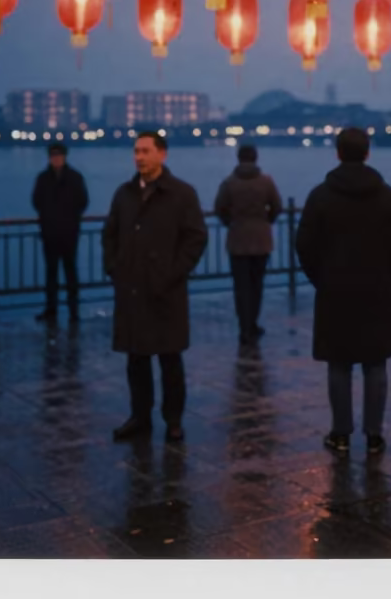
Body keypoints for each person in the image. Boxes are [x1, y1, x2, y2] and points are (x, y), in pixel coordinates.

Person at [296, 127, 391, 457]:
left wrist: (321, 277)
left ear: (337, 152)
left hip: (335, 291)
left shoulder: (320, 195)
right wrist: (387, 273)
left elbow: (304, 244)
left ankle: (341, 433)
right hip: (376, 290)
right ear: (367, 152)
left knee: (339, 363)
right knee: (376, 364)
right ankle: (375, 435)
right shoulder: (386, 195)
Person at [102, 132, 208, 443]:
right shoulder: (124, 193)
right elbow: (110, 234)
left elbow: (196, 238)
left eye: (146, 151)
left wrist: (174, 272)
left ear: (162, 154)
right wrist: (115, 268)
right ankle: (140, 417)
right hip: (132, 289)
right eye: (136, 151)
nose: (139, 157)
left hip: (166, 291)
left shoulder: (182, 194)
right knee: (136, 360)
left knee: (170, 359)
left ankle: (173, 420)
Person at [214, 144, 283, 345]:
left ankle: (244, 327)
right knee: (257, 285)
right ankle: (252, 323)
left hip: (237, 240)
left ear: (238, 158)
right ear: (256, 158)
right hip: (261, 240)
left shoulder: (229, 183)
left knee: (241, 286)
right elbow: (277, 207)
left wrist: (231, 223)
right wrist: (265, 221)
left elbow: (220, 209)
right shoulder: (266, 182)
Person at [32, 143, 89, 323]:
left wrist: (70, 217)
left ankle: (74, 310)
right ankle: (52, 309)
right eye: (53, 156)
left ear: (64, 157)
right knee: (51, 272)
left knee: (70, 271)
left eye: (58, 156)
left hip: (69, 232)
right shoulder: (43, 178)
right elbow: (36, 200)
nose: (56, 159)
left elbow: (83, 201)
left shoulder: (75, 177)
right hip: (50, 232)